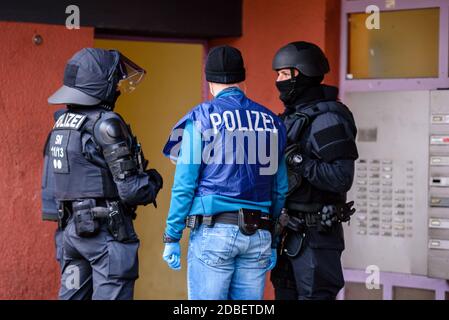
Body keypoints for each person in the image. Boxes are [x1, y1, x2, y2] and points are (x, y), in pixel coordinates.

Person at [161, 45, 288, 300]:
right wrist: (272, 238)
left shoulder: (201, 117)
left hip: (214, 232)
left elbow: (185, 184)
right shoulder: (272, 121)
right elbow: (280, 188)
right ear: (243, 79)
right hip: (259, 233)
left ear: (209, 81)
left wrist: (172, 235)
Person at [45, 48, 163, 300]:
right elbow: (132, 191)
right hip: (105, 235)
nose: (118, 87)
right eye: (115, 82)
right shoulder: (106, 124)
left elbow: (49, 191)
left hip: (71, 234)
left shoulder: (60, 126)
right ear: (103, 85)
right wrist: (154, 180)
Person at [270, 41, 358, 300]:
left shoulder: (328, 119)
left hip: (317, 239)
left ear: (303, 74)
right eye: (278, 74)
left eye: (284, 74)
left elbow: (342, 178)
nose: (279, 80)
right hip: (289, 234)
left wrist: (298, 161)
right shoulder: (291, 117)